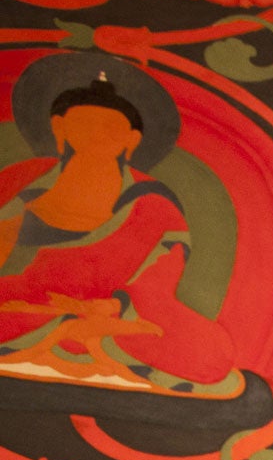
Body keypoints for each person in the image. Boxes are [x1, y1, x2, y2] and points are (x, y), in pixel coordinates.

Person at [0, 68, 238, 395]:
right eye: (84, 125)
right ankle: (67, 332)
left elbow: (156, 291)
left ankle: (79, 334)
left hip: (114, 318)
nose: (97, 136)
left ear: (131, 141)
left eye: (111, 128)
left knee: (211, 353)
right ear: (60, 128)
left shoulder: (152, 203)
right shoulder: (23, 182)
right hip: (29, 301)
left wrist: (110, 309)